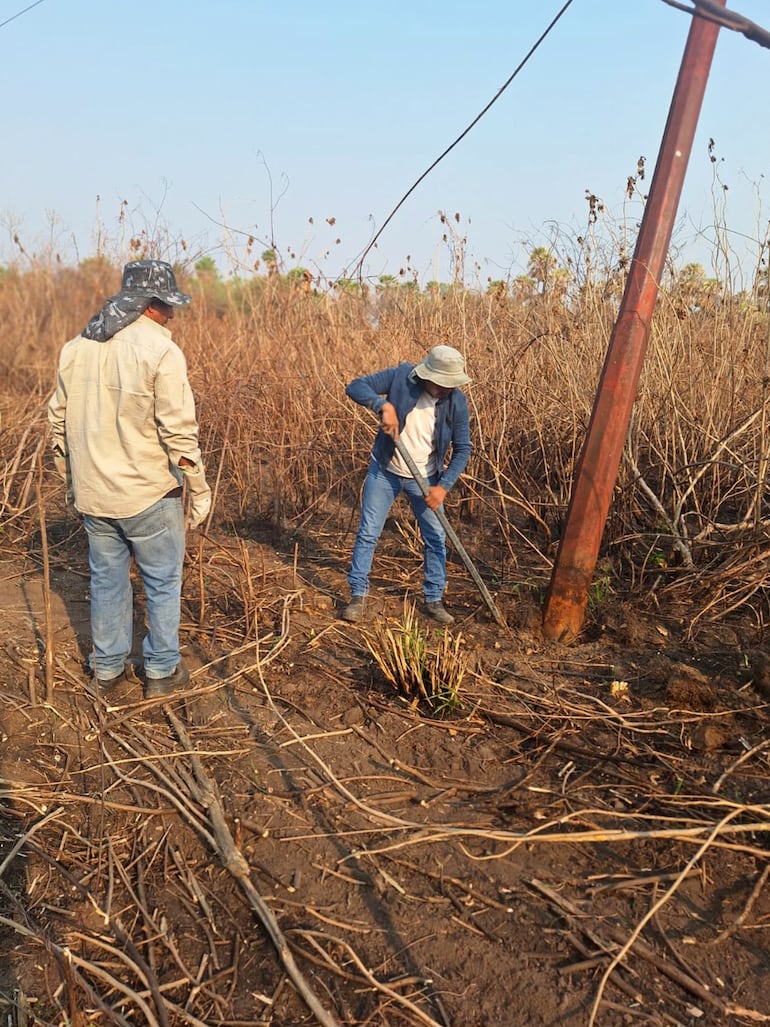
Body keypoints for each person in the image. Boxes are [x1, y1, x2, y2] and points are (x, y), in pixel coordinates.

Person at [47, 259, 211, 698]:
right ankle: (159, 671)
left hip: (94, 495)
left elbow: (57, 425)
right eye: (168, 305)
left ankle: (107, 669)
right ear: (150, 305)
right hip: (148, 494)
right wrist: (198, 491)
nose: (173, 315)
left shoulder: (76, 347)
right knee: (161, 581)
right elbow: (179, 432)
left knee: (106, 580)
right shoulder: (161, 352)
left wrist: (71, 484)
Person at [341, 345, 472, 625]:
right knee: (368, 533)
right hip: (385, 470)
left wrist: (443, 487)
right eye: (442, 383)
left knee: (436, 538)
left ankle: (433, 598)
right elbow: (355, 386)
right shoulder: (400, 377)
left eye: (451, 384)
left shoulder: (456, 402)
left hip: (427, 479)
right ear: (429, 376)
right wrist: (382, 405)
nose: (447, 388)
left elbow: (463, 450)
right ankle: (357, 594)